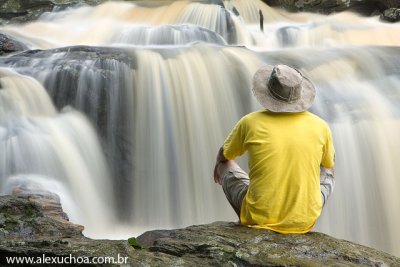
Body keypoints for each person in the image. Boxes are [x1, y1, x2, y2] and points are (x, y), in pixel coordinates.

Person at [213, 64, 335, 234]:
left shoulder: (250, 122)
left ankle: (246, 222)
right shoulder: (321, 126)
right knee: (328, 169)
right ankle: (299, 211)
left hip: (258, 217)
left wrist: (219, 163)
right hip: (305, 221)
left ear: (268, 92)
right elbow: (328, 164)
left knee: (224, 164)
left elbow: (224, 155)